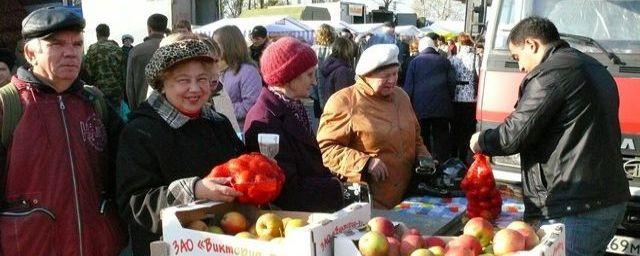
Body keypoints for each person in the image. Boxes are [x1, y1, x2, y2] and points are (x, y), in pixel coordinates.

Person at [469, 17, 630, 255]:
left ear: (532, 45)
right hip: (608, 199)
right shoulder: (594, 67)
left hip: (576, 206)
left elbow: (514, 134)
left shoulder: (551, 74)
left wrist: (481, 140)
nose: (521, 67)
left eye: (517, 57)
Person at [0, 7, 125, 255]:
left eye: (77, 44)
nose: (70, 53)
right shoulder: (7, 106)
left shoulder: (95, 103)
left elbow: (128, 171)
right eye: (57, 45)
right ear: (30, 53)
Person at [117, 34, 245, 256]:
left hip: (224, 243)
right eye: (183, 80)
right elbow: (134, 203)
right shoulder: (140, 132)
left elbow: (240, 170)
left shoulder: (218, 124)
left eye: (203, 79)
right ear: (162, 84)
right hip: (168, 248)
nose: (195, 89)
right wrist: (194, 190)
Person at [317, 44, 433, 209]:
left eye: (395, 73)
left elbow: (416, 136)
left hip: (407, 197)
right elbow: (326, 149)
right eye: (385, 76)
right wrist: (365, 162)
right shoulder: (344, 102)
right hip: (368, 202)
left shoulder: (401, 96)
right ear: (367, 76)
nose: (392, 80)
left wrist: (424, 157)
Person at [244, 37, 344, 212]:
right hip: (291, 219)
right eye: (309, 75)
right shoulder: (266, 120)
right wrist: (334, 188)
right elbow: (284, 187)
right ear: (289, 77)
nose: (314, 82)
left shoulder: (291, 105)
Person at [403, 37, 456, 163]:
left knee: (422, 139)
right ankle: (442, 164)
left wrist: (406, 105)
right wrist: (449, 99)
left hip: (420, 108)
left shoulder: (415, 62)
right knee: (441, 139)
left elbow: (408, 87)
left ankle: (425, 165)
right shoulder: (444, 61)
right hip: (442, 108)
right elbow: (452, 83)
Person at [213, 25, 262, 130]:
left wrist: (221, 109)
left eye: (216, 44)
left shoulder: (248, 71)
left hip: (240, 131)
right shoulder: (216, 69)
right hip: (219, 129)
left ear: (228, 45)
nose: (213, 48)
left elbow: (251, 106)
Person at [126, 13, 167, 110]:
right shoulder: (173, 48)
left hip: (144, 107)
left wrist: (134, 110)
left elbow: (130, 87)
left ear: (149, 29)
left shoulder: (136, 51)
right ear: (165, 29)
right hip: (171, 109)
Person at [450, 33, 479, 165]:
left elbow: (451, 77)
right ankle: (466, 156)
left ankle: (454, 155)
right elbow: (478, 75)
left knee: (456, 128)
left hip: (456, 97)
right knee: (468, 129)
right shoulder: (476, 58)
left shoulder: (454, 58)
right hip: (470, 98)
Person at [84, 23, 125, 107]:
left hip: (99, 92)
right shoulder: (116, 48)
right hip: (116, 91)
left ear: (97, 34)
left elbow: (88, 71)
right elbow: (123, 71)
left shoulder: (92, 50)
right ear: (108, 34)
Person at [319, 37, 355, 106]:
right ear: (348, 49)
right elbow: (344, 96)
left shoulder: (330, 64)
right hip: (340, 109)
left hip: (330, 106)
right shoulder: (342, 70)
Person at [311, 24, 335, 115]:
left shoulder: (312, 50)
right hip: (332, 86)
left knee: (321, 118)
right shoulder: (335, 49)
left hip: (317, 87)